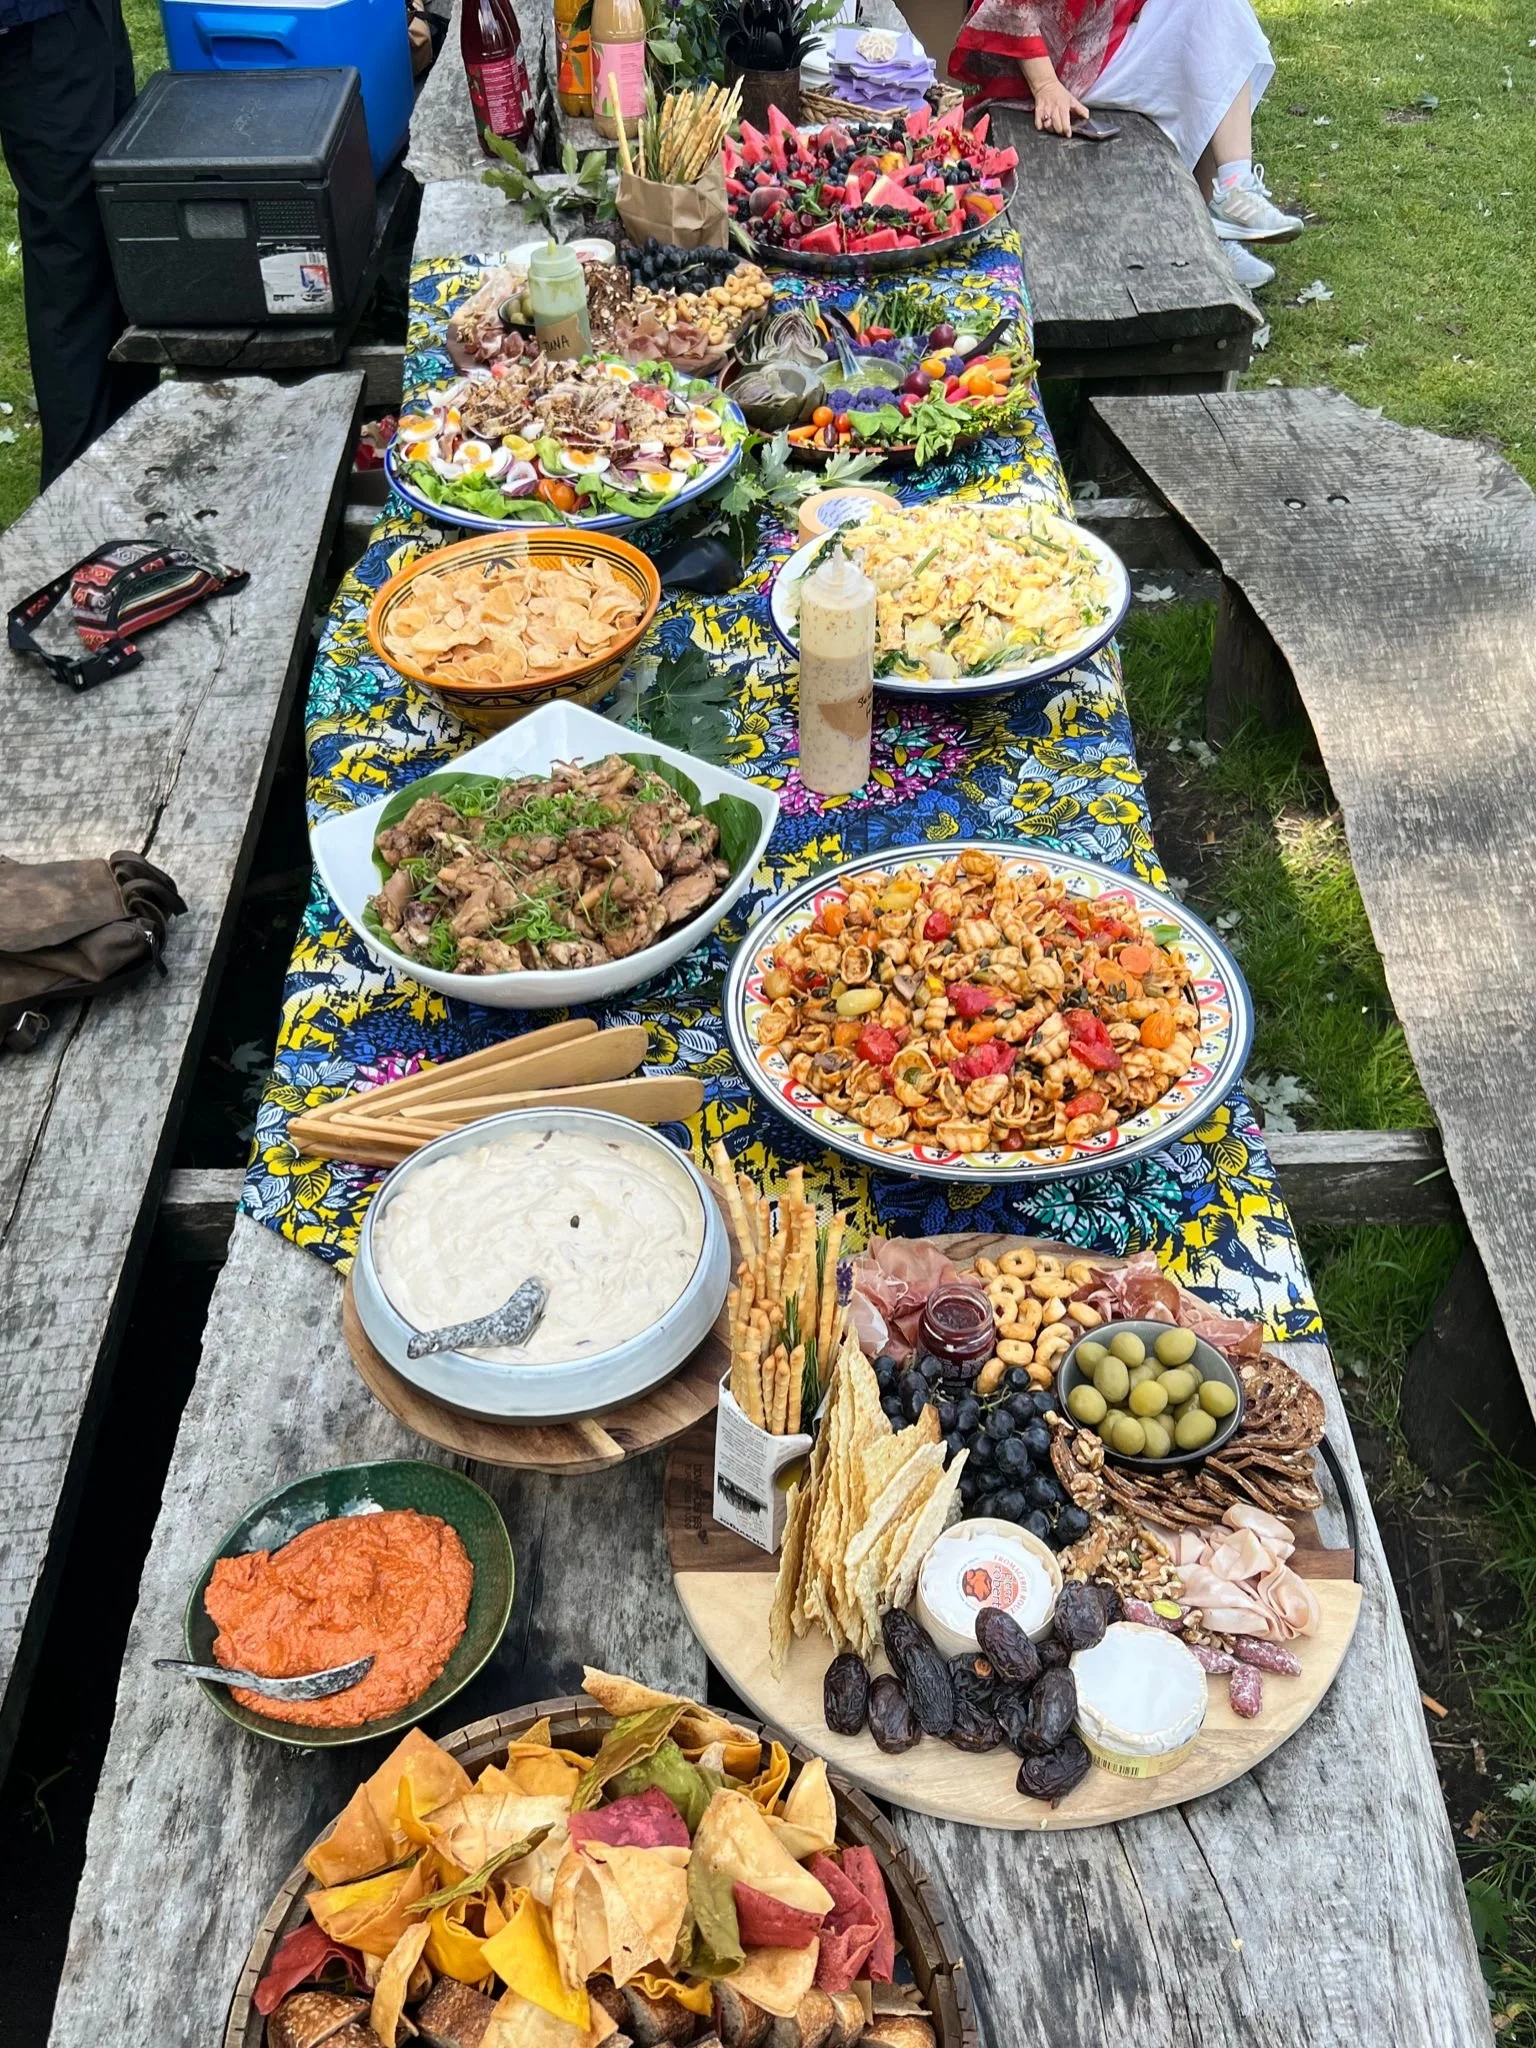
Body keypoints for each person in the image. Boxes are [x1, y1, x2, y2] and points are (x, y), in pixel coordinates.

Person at [948, 0, 1302, 294]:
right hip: (1061, 68)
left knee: (1215, 19)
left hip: (1104, 35)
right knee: (1211, 31)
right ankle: (1223, 207)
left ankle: (1226, 203)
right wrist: (1046, 86)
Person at [0, 0, 156, 492]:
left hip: (81, 16)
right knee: (71, 246)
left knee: (117, 216)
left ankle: (136, 447)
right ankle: (75, 489)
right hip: (36, 30)